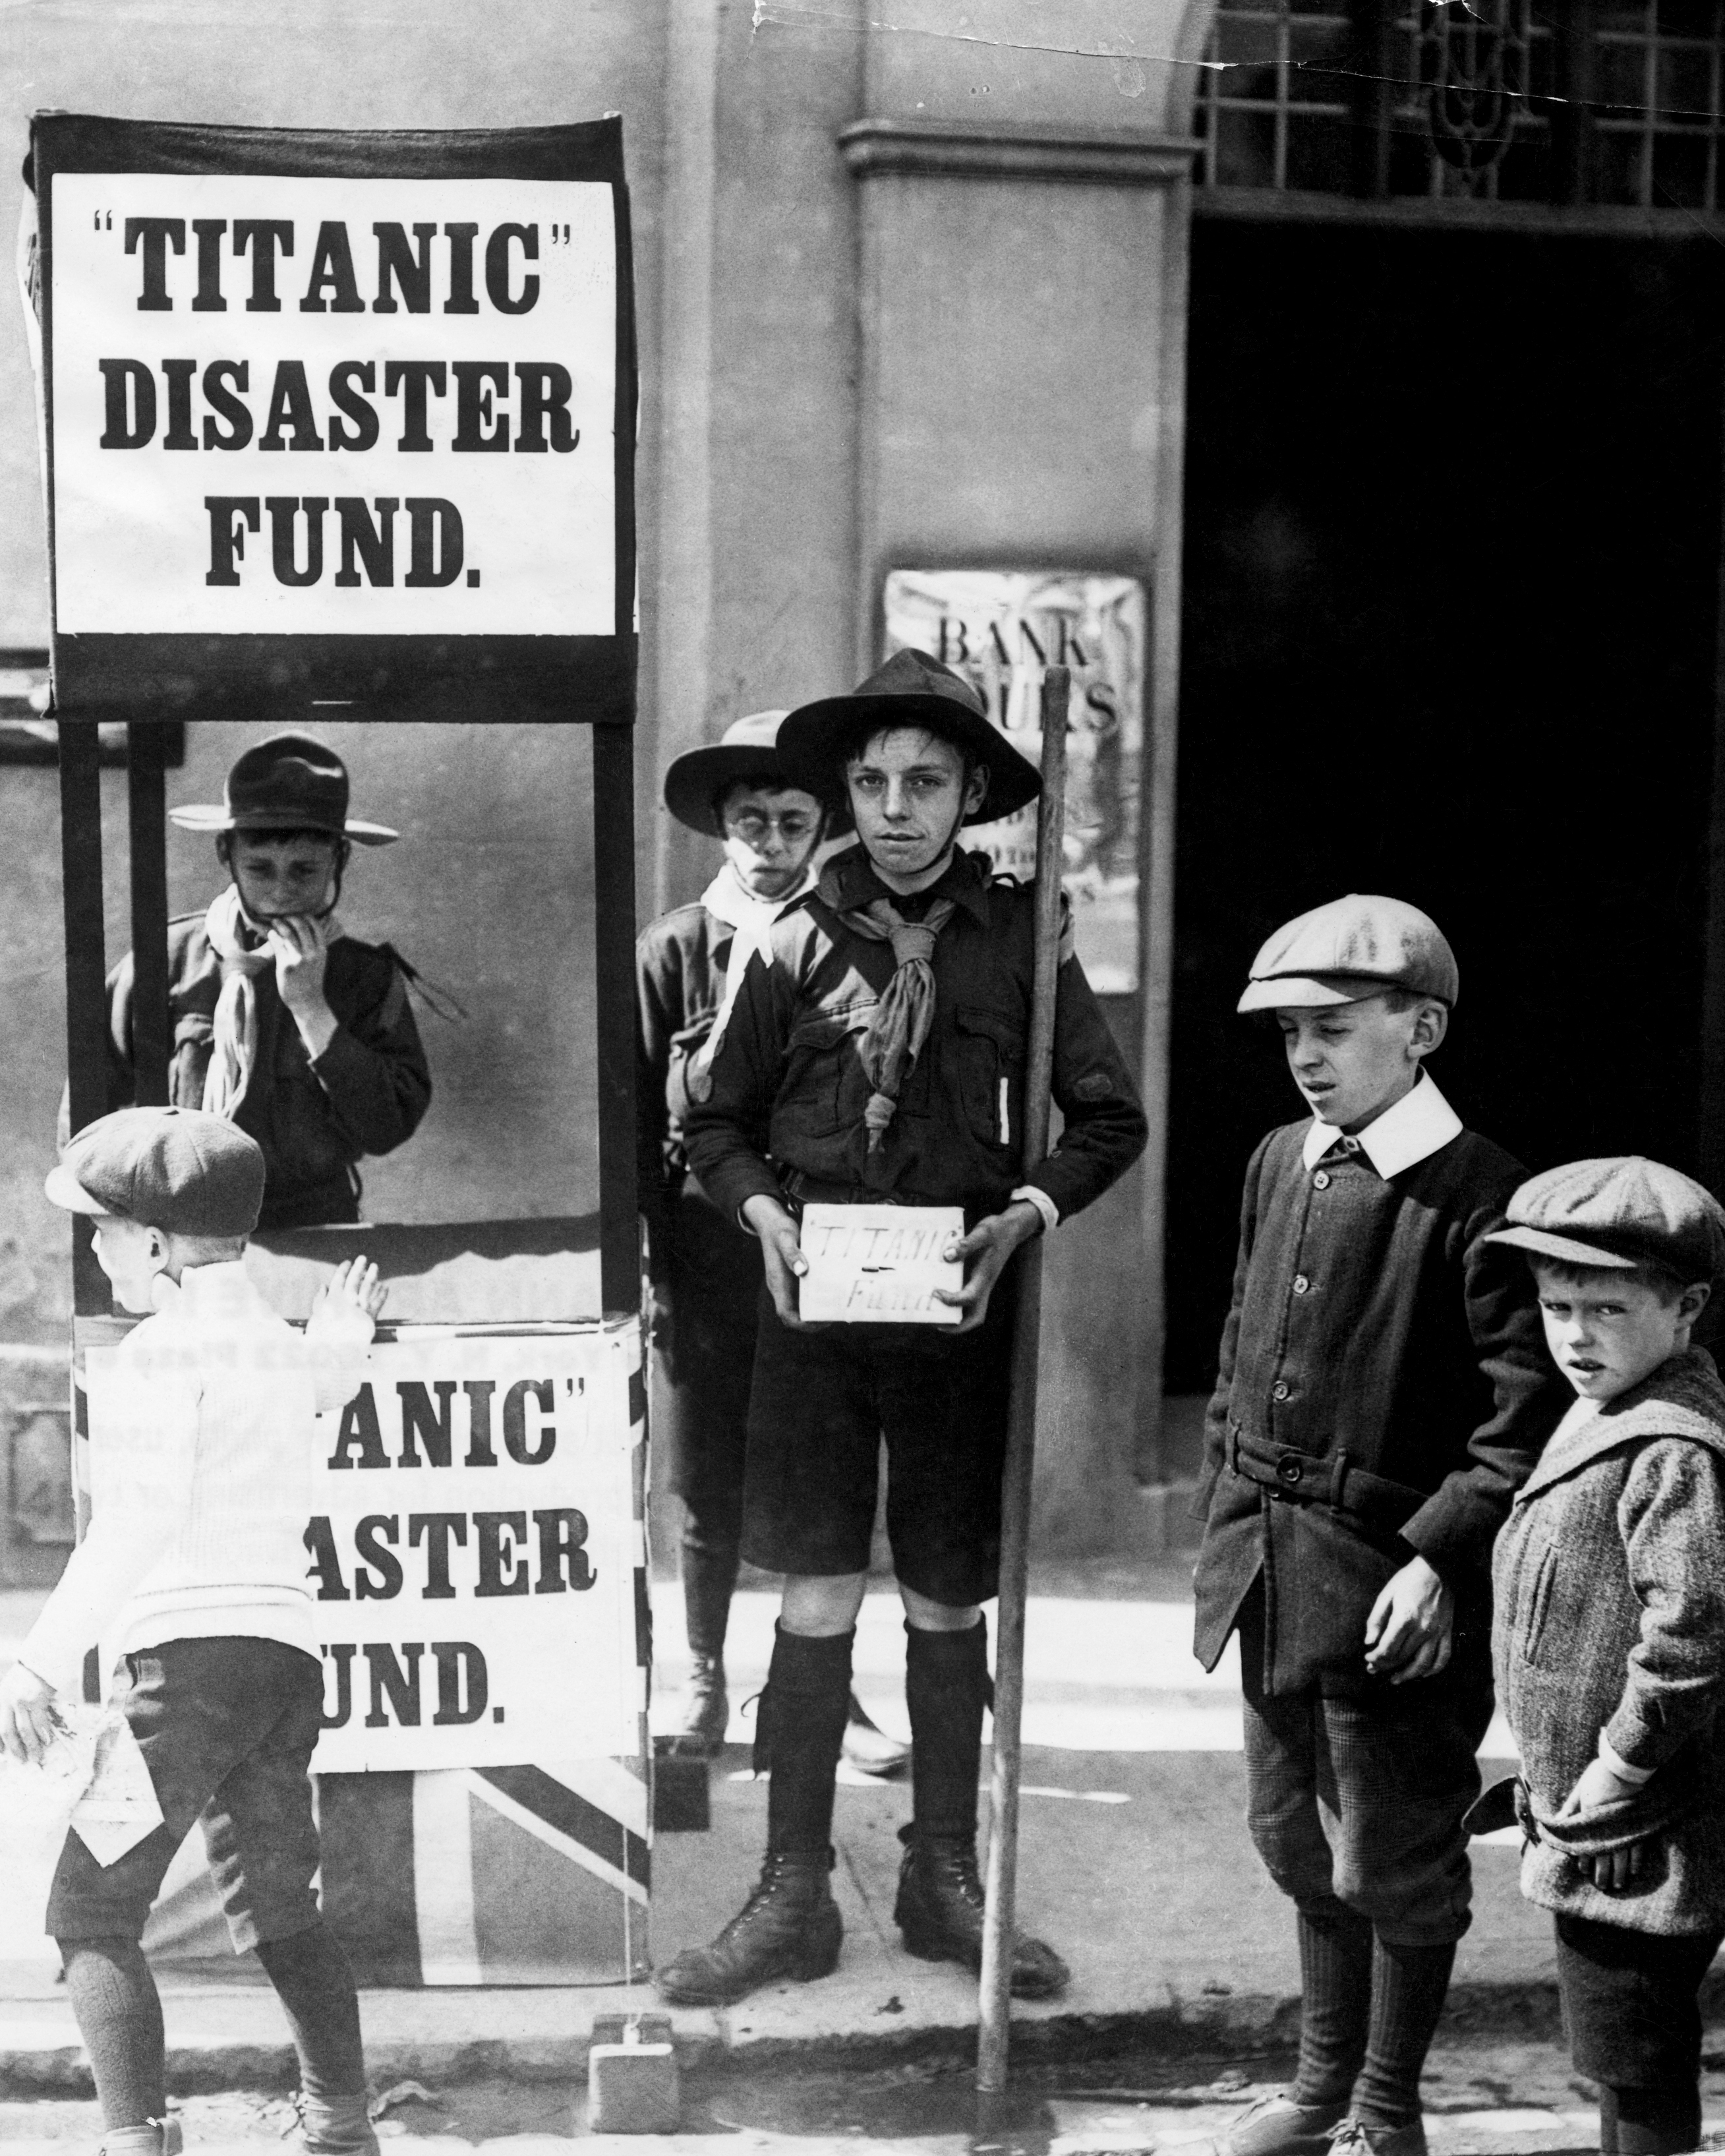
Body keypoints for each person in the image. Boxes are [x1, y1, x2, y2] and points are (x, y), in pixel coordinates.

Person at [664, 649, 1149, 2006]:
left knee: (945, 1595)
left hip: (956, 1308)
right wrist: (760, 1216)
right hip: (815, 1317)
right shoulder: (793, 939)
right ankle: (791, 1893)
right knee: (814, 1593)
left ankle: (944, 1879)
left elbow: (1106, 1117)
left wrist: (1028, 1213)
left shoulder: (1024, 941)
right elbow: (710, 1122)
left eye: (924, 783)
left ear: (971, 794)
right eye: (871, 783)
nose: (893, 810)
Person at [1185, 895, 1563, 2156]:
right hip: (1263, 1567)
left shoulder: (1481, 1198)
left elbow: (1519, 1425)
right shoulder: (1276, 1160)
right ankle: (1317, 2090)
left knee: (1390, 1857)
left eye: (1333, 1029)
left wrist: (1437, 1562)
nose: (1303, 1055)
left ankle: (1385, 2115)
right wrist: (1220, 1522)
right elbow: (1236, 1355)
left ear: (1421, 1031)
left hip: (1390, 1589)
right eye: (1288, 1031)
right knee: (1291, 1837)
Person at [0, 1106, 383, 2156]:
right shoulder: (279, 1346)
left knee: (90, 1911)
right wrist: (345, 1331)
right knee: (281, 1908)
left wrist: (35, 1664)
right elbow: (332, 1380)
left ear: (159, 1246)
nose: (98, 1249)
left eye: (107, 1231)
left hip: (183, 1672)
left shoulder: (158, 1354)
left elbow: (137, 1520)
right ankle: (341, 2128)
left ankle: (133, 2139)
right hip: (284, 1665)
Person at [1478, 1158, 1725, 2156]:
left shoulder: (1673, 1446)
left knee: (1638, 2052)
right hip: (1606, 1811)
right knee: (1619, 2049)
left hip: (1647, 1816)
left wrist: (1618, 1769)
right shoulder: (1609, 1403)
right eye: (1556, 1306)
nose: (1575, 1335)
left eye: (1607, 1308)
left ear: (1686, 1307)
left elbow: (1691, 1633)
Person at [634, 710, 900, 1775]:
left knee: (827, 1469)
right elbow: (633, 1118)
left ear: (822, 830)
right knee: (706, 1471)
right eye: (752, 820)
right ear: (721, 826)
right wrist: (647, 1259)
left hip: (827, 1246)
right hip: (705, 1253)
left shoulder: (856, 944)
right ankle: (700, 1672)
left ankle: (822, 1690)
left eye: (794, 822)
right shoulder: (672, 950)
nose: (773, 842)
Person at [94, 733, 429, 1231]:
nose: (280, 893)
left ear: (339, 859)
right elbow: (89, 1103)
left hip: (313, 1220)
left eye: (304, 871)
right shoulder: (166, 960)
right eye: (259, 869)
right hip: (180, 1221)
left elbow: (386, 1129)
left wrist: (312, 1008)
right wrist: (116, 1223)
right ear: (224, 853)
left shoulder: (364, 977)